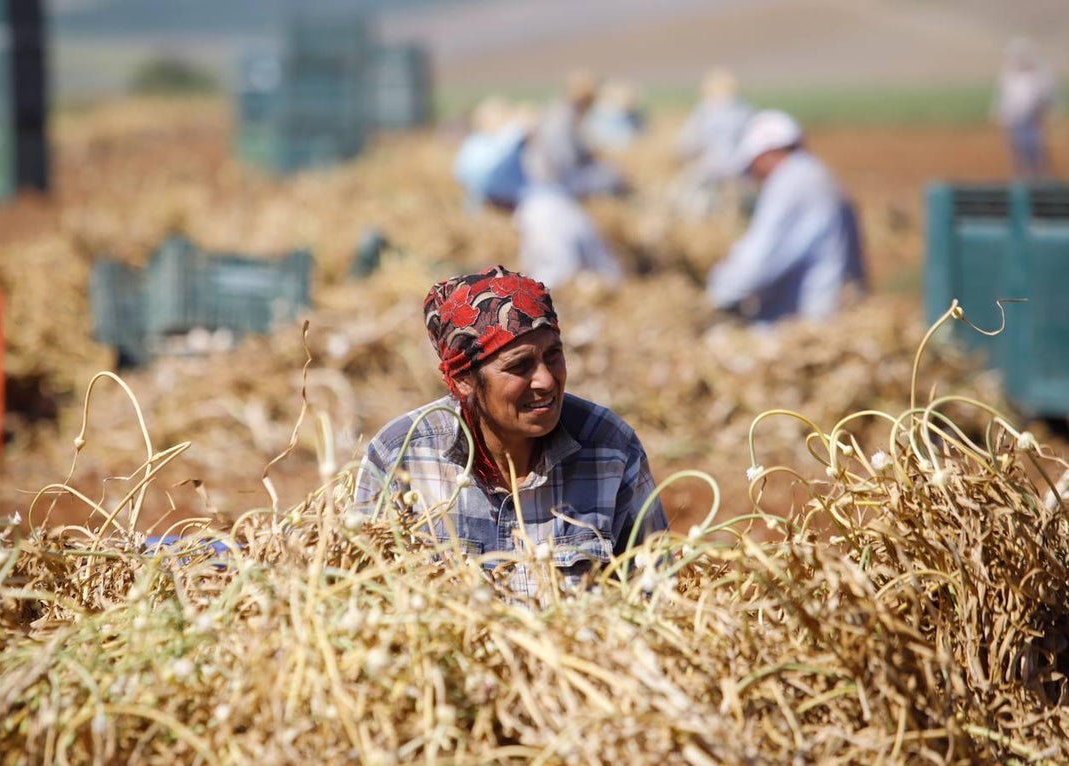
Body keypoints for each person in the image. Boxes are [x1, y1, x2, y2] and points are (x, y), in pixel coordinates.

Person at [355, 265, 668, 596]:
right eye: (519, 366)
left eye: (553, 355)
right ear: (464, 380)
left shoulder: (609, 448)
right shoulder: (403, 457)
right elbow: (361, 595)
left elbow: (657, 594)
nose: (546, 380)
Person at [705, 109, 867, 324]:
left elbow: (758, 262)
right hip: (837, 308)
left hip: (813, 317)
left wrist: (718, 290)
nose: (755, 178)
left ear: (766, 155)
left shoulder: (791, 185)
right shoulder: (814, 174)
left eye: (752, 167)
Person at [524, 69, 628, 199]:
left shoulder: (562, 112)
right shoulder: (562, 118)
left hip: (553, 176)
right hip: (555, 180)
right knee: (611, 177)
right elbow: (565, 160)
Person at [673, 67, 754, 219]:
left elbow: (688, 142)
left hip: (714, 167)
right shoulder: (745, 110)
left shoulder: (705, 110)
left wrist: (684, 153)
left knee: (687, 197)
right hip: (740, 168)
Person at [992, 37, 1057, 180]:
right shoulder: (1009, 76)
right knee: (1017, 152)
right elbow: (1005, 99)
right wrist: (1002, 115)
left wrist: (1042, 110)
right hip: (1015, 120)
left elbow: (1046, 97)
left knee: (1035, 150)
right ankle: (1025, 180)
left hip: (1032, 120)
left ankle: (1042, 179)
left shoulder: (1039, 75)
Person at [452, 96, 532, 211]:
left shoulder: (473, 142)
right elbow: (517, 132)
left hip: (477, 191)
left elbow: (459, 173)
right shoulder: (506, 137)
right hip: (504, 192)